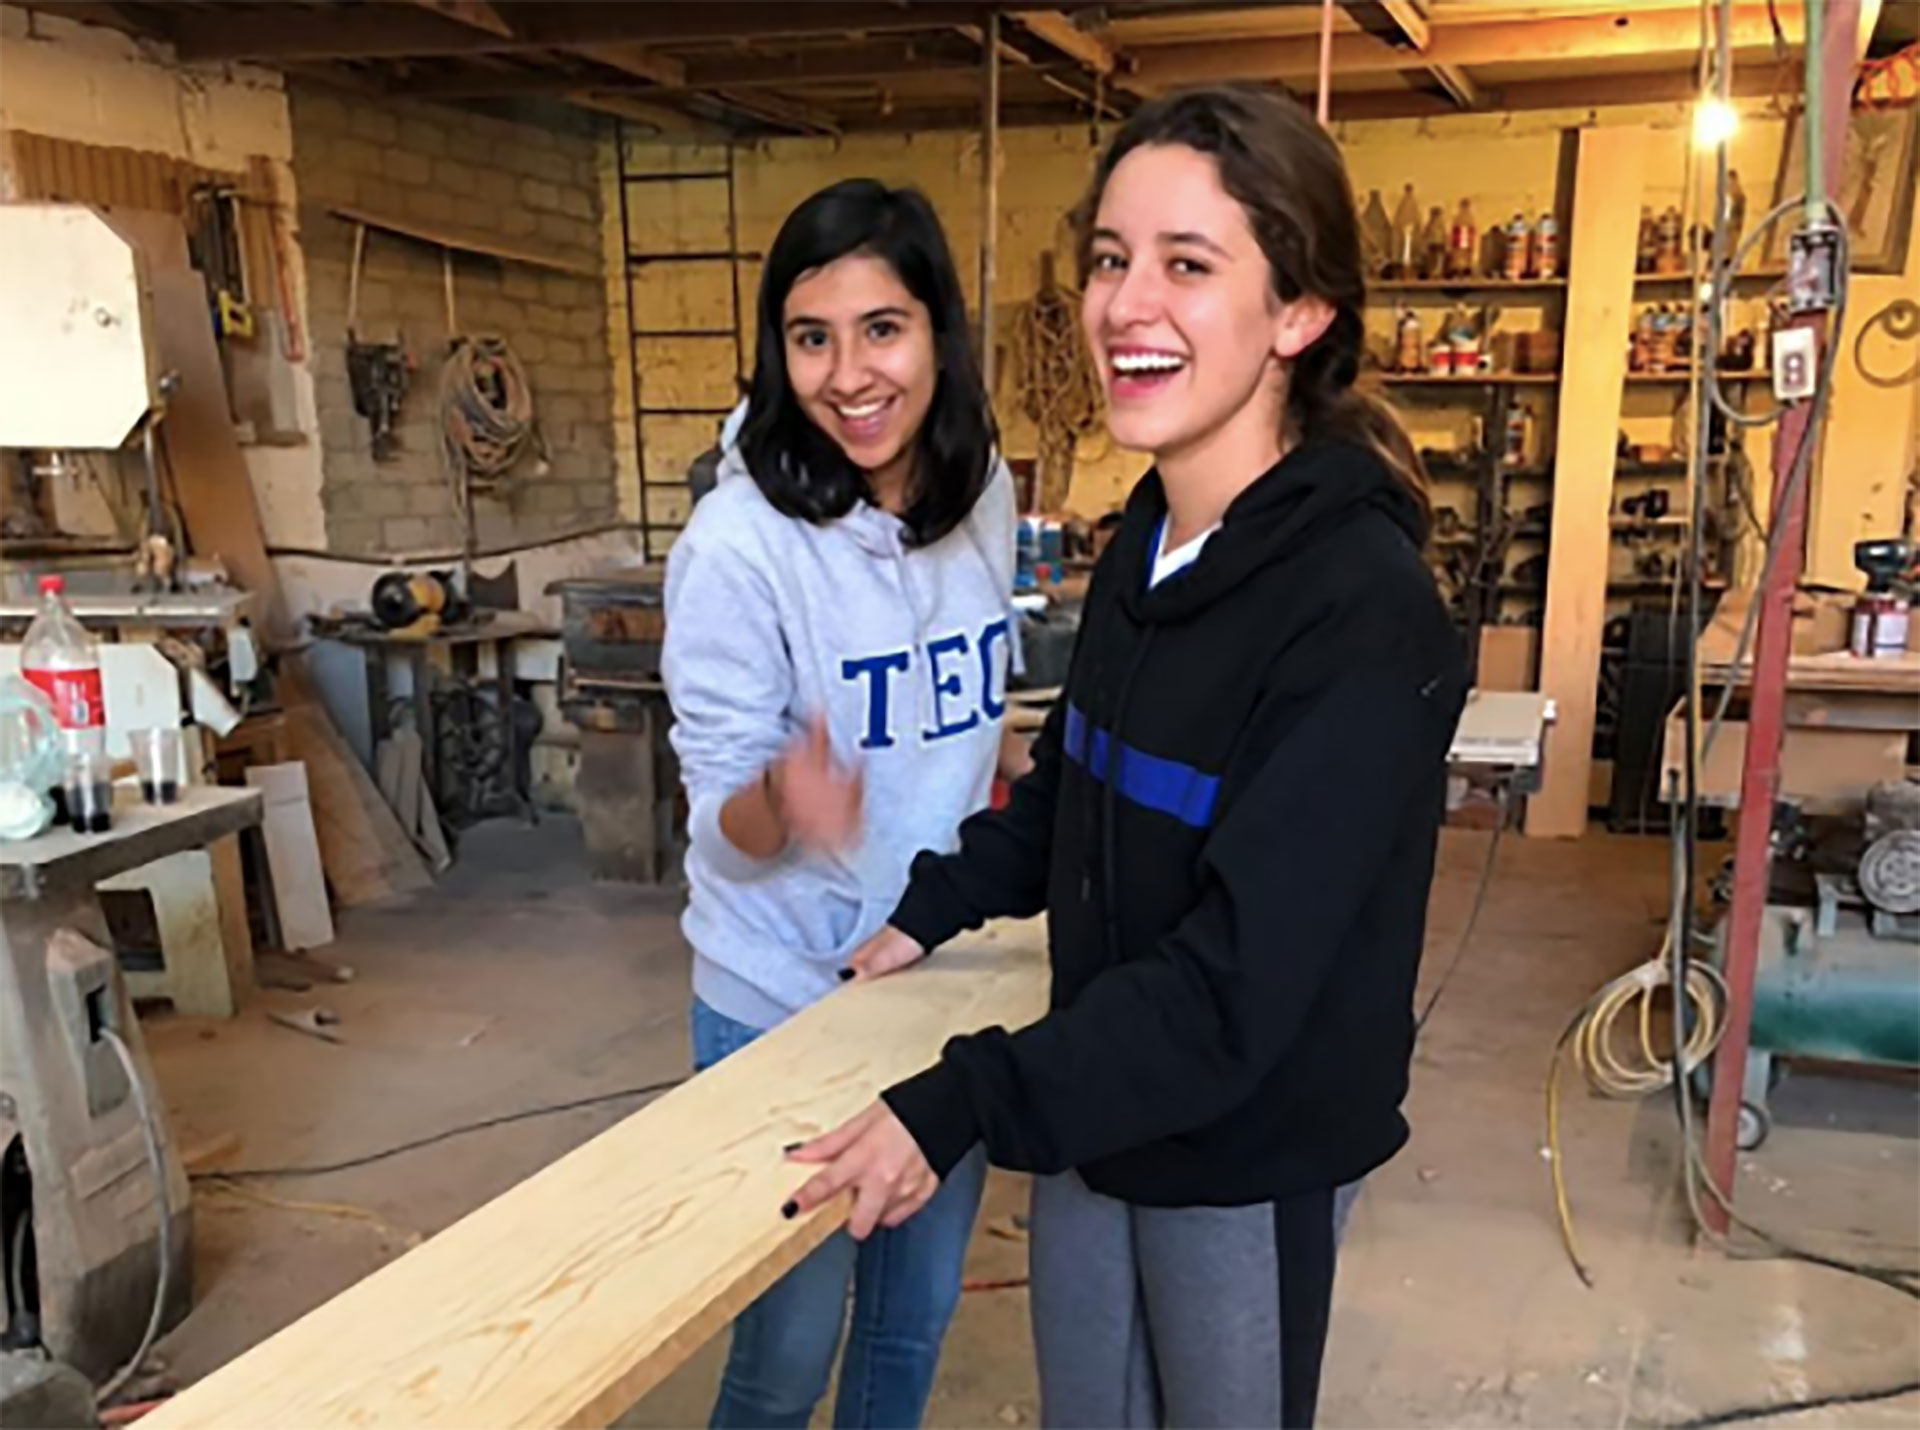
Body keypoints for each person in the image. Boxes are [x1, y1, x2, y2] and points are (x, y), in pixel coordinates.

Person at [785, 86, 1469, 1429]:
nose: (1124, 303)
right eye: (1109, 258)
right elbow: (1072, 789)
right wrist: (933, 908)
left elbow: (1235, 986)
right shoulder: (1142, 546)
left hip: (1245, 1143)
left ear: (1299, 313)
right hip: (1105, 1099)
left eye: (1188, 264)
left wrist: (968, 1094)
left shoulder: (1362, 610)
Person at [662, 177, 1019, 1430]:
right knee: (785, 1354)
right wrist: (785, 799)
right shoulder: (735, 547)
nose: (849, 373)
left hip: (936, 980)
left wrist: (996, 762)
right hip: (781, 1000)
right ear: (779, 348)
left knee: (910, 1325)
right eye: (812, 337)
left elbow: (967, 703)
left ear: (937, 333)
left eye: (884, 328)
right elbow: (718, 821)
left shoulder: (985, 492)